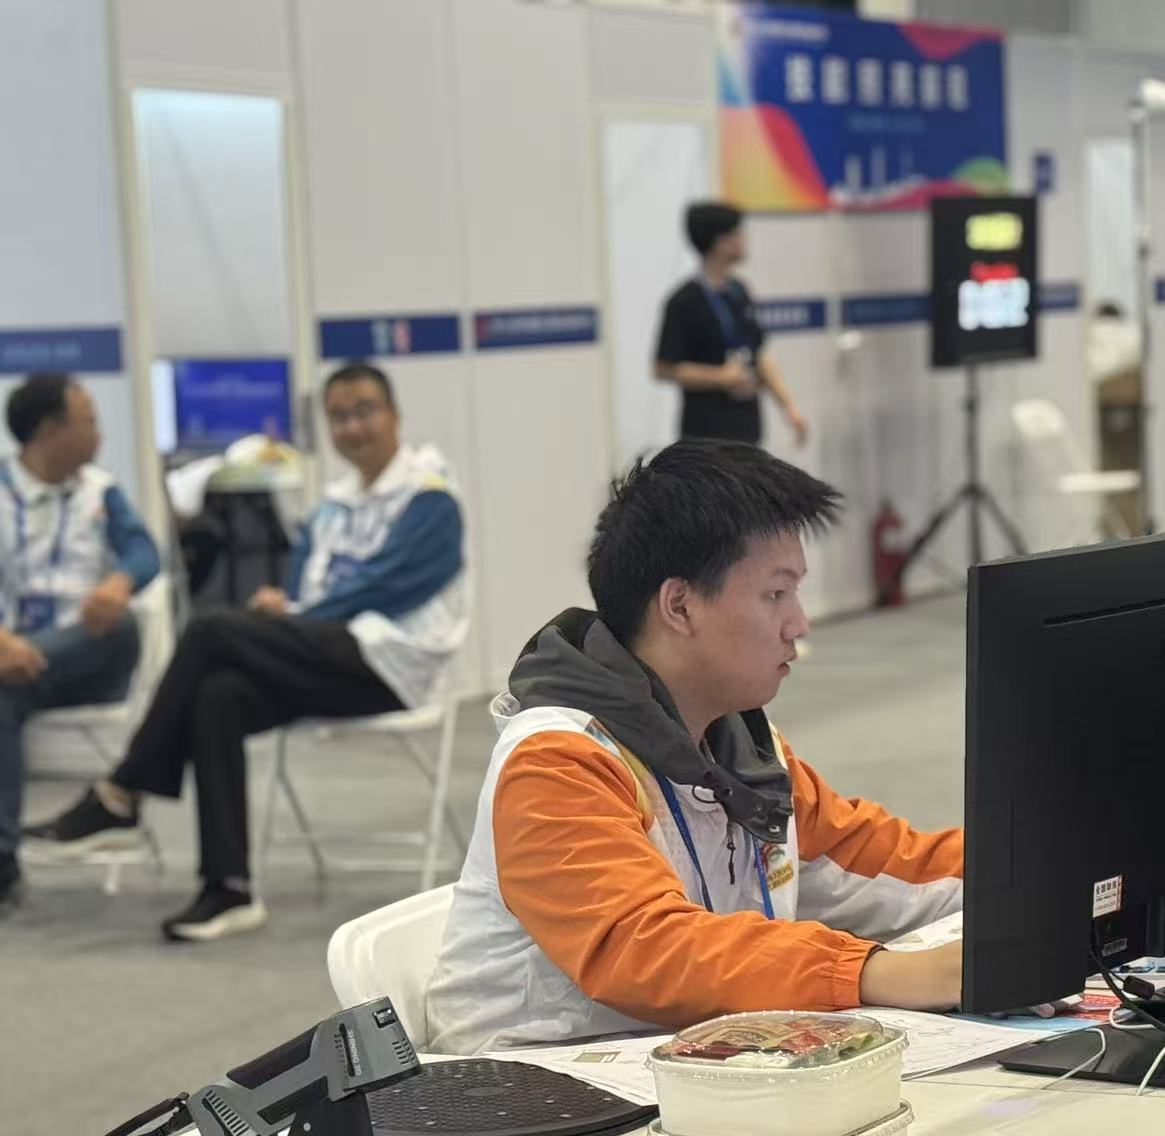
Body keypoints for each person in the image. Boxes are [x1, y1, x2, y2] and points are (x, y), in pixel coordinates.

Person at [425, 441, 960, 1054]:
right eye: (776, 595)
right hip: (524, 1089)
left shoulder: (743, 749)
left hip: (683, 1074)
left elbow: (889, 863)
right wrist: (874, 972)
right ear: (679, 605)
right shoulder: (555, 762)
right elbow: (647, 948)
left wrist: (1033, 869)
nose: (799, 623)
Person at [29, 363, 468, 941]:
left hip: (393, 665)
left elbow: (387, 587)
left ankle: (123, 791)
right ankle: (228, 888)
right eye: (339, 417)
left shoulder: (430, 496)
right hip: (329, 651)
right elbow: (309, 586)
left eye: (365, 411)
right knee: (220, 695)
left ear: (395, 415)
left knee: (211, 631)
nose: (352, 427)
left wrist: (297, 614)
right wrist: (286, 603)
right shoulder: (334, 504)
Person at [0, 375, 160, 916]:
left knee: (120, 626)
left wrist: (118, 584)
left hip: (92, 654)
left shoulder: (100, 491)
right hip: (10, 664)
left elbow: (144, 553)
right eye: (88, 422)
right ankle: (2, 867)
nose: (99, 434)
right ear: (50, 431)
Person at [653, 201, 808, 448]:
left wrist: (789, 408)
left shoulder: (739, 292)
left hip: (747, 431)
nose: (744, 240)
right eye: (737, 234)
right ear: (720, 242)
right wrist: (720, 377)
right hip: (705, 438)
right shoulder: (684, 301)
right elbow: (663, 368)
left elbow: (760, 355)